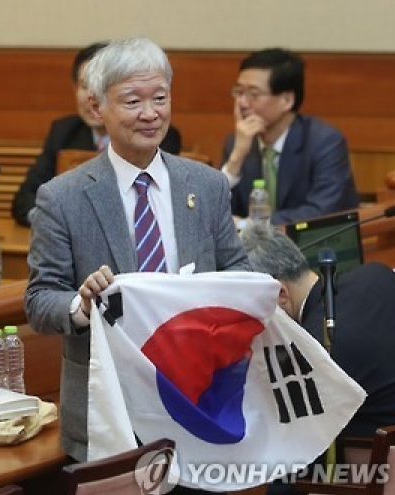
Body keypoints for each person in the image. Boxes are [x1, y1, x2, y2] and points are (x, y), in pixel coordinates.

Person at [24, 37, 249, 494]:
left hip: (197, 403)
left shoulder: (205, 186)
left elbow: (236, 270)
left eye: (160, 98)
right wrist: (81, 305)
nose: (150, 113)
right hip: (109, 414)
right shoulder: (62, 198)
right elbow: (39, 299)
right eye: (133, 100)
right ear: (96, 106)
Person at [240, 223, 395, 495]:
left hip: (378, 476)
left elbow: (293, 464)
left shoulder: (313, 348)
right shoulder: (377, 274)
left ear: (280, 294)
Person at [11, 42, 182, 226]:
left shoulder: (151, 132)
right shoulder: (63, 132)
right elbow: (24, 200)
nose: (91, 97)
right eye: (85, 86)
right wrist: (57, 224)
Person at [221, 48, 359, 225]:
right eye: (239, 92)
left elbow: (322, 212)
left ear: (286, 100)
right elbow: (216, 210)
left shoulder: (325, 142)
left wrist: (251, 225)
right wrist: (236, 158)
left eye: (253, 94)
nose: (242, 102)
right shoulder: (237, 143)